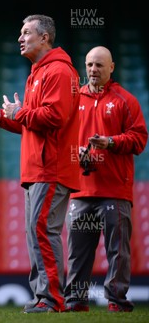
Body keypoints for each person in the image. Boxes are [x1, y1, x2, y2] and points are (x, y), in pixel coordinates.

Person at [0, 14, 80, 313]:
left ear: (45, 37)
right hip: (37, 168)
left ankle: (52, 299)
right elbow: (31, 124)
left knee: (42, 231)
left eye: (26, 33)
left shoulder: (59, 71)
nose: (20, 38)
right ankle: (42, 296)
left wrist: (18, 111)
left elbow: (55, 117)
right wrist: (3, 117)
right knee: (36, 232)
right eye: (20, 33)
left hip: (52, 167)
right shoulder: (37, 73)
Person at [64, 46, 147, 312]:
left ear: (112, 67)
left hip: (114, 190)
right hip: (80, 189)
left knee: (118, 252)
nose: (93, 70)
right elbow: (60, 138)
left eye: (99, 65)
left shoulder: (126, 100)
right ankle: (76, 301)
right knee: (78, 253)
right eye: (89, 65)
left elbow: (139, 139)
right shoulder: (72, 99)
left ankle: (116, 301)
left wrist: (111, 142)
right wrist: (73, 153)